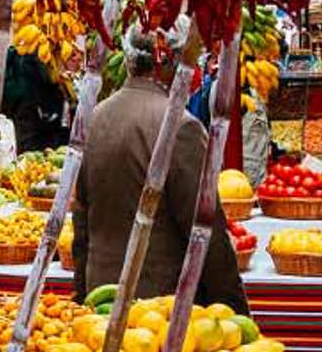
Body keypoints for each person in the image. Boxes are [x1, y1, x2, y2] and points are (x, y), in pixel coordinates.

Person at [73, 23, 249, 312]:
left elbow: (81, 218)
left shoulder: (96, 116)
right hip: (159, 305)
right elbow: (203, 228)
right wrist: (235, 309)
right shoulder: (180, 126)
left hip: (101, 295)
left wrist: (82, 294)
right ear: (170, 61)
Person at [2, 48, 70, 156]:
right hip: (39, 115)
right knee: (41, 156)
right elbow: (50, 78)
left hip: (22, 111)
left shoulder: (18, 50)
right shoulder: (41, 52)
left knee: (27, 153)